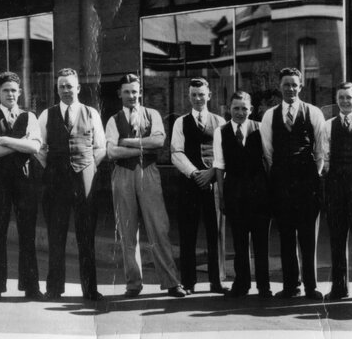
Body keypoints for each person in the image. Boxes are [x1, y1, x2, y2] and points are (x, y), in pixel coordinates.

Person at [106, 74, 185, 299]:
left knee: (158, 227)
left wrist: (127, 142)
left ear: (140, 91)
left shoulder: (153, 114)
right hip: (123, 174)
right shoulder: (113, 119)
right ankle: (133, 283)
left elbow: (159, 142)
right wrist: (144, 147)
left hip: (148, 173)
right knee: (127, 231)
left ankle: (171, 281)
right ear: (119, 93)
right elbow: (112, 152)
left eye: (135, 91)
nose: (132, 96)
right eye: (127, 92)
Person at [36, 68, 106, 301]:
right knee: (56, 235)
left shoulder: (91, 113)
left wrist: (86, 166)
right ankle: (54, 288)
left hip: (84, 179)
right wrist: (52, 166)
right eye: (61, 86)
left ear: (78, 88)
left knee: (86, 235)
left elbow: (101, 147)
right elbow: (39, 147)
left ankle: (90, 289)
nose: (65, 90)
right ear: (57, 89)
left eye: (69, 86)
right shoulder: (47, 114)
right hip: (56, 181)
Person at [260, 67, 326, 300]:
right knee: (286, 237)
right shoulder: (270, 115)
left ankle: (311, 287)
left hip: (307, 183)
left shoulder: (313, 112)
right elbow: (267, 152)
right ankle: (290, 286)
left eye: (294, 84)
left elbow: (320, 150)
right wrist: (279, 178)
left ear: (301, 86)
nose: (290, 88)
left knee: (308, 238)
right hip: (282, 185)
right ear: (280, 86)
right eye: (286, 84)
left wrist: (314, 176)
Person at [0, 71, 43, 301]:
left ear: (20, 92)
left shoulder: (30, 117)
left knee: (28, 233)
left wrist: (4, 140)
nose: (10, 94)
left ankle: (31, 287)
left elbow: (35, 147)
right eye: (6, 90)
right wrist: (21, 144)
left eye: (14, 90)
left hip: (25, 181)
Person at [317, 82, 352, 302]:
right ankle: (340, 288)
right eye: (341, 97)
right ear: (336, 99)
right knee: (337, 237)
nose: (344, 101)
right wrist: (329, 180)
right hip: (335, 186)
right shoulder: (328, 126)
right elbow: (324, 157)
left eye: (349, 98)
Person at [170, 77, 228, 295]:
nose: (197, 98)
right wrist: (195, 173)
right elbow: (176, 152)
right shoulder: (180, 122)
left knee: (216, 232)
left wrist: (211, 173)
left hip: (214, 183)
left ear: (209, 96)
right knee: (188, 233)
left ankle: (217, 280)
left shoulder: (220, 122)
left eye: (201, 94)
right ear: (188, 97)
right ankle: (188, 281)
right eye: (193, 95)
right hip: (189, 183)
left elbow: (225, 153)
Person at [213, 91, 272, 299]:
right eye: (236, 108)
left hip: (259, 193)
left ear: (251, 110)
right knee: (239, 242)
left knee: (261, 241)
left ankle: (264, 286)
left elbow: (268, 159)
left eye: (244, 108)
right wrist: (221, 196)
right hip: (234, 193)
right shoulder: (221, 132)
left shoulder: (260, 128)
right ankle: (242, 283)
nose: (240, 112)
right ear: (229, 109)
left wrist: (269, 191)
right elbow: (219, 166)